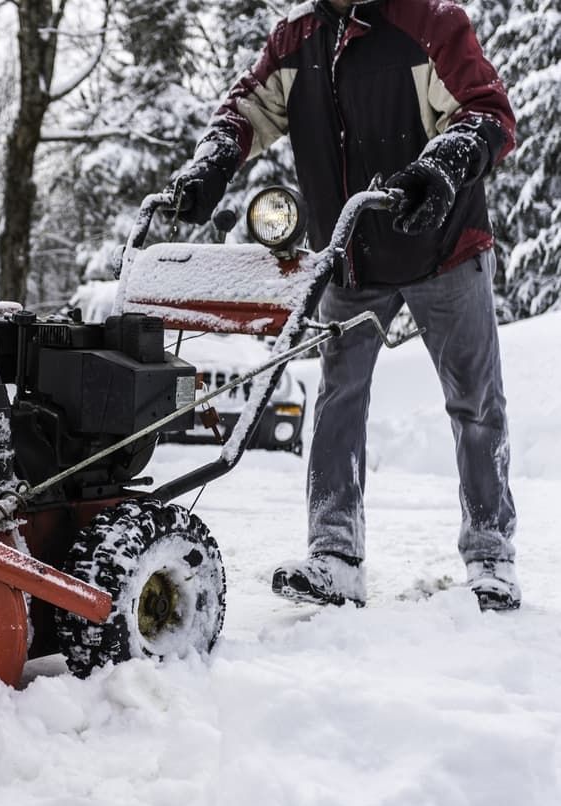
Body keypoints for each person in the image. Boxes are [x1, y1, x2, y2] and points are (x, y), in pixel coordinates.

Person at [168, 0, 519, 610]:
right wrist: (215, 163)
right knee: (337, 399)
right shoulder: (296, 40)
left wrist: (437, 170)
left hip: (444, 247)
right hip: (351, 255)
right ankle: (335, 556)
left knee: (476, 402)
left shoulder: (430, 22)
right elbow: (244, 110)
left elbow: (487, 112)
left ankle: (491, 557)